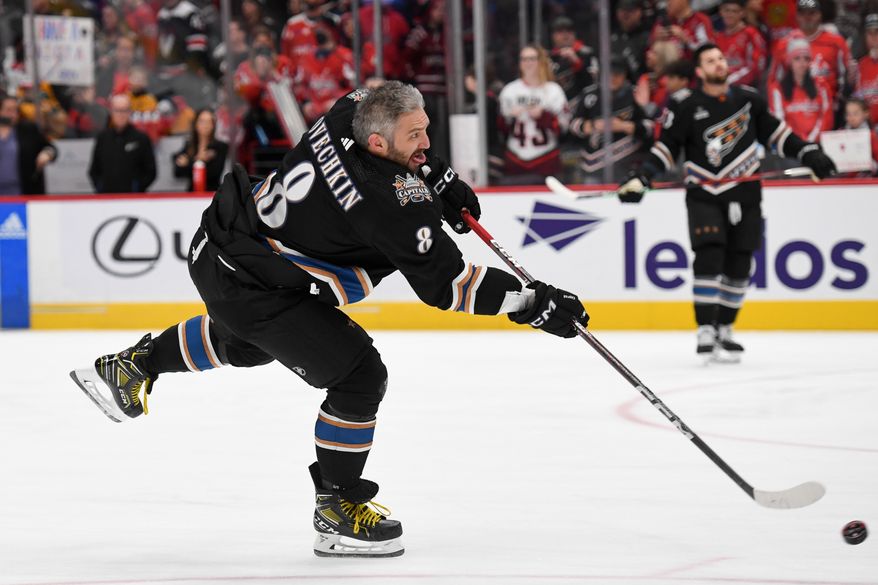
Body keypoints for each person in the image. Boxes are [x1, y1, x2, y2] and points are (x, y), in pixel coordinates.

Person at [69, 81, 589, 557]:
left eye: (426, 128)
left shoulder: (351, 112)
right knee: (358, 375)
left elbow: (375, 105)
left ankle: (133, 366)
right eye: (416, 136)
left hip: (230, 247)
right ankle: (338, 505)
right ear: (380, 146)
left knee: (253, 340)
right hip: (253, 281)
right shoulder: (387, 203)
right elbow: (449, 287)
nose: (425, 139)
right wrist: (531, 304)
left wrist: (435, 172)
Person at [616, 44, 836, 362]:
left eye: (720, 58)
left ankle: (725, 328)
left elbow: (777, 134)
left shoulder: (748, 99)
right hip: (705, 194)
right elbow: (668, 147)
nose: (719, 63)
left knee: (740, 262)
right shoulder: (686, 105)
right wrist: (643, 176)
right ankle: (705, 328)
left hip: (745, 193)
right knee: (709, 255)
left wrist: (808, 153)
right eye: (710, 60)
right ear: (700, 71)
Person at [497, 44, 570, 184]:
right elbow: (500, 131)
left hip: (546, 162)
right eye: (523, 59)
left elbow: (563, 129)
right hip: (515, 161)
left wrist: (544, 117)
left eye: (532, 59)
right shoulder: (510, 91)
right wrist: (509, 118)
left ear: (541, 62)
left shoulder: (553, 91)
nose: (527, 63)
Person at [767, 37, 833, 142]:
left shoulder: (821, 86)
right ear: (789, 62)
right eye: (797, 58)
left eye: (806, 59)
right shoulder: (777, 89)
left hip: (818, 144)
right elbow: (778, 120)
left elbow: (826, 116)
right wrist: (796, 142)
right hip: (790, 146)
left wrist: (810, 140)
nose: (802, 63)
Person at [88, 93, 157, 193]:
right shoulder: (103, 138)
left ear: (130, 112)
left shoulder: (141, 138)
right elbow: (94, 170)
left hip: (133, 200)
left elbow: (150, 171)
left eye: (124, 110)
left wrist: (137, 188)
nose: (121, 115)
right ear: (111, 112)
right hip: (107, 200)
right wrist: (101, 188)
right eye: (117, 110)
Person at [0, 95, 57, 195]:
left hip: (23, 191)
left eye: (15, 110)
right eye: (8, 110)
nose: (13, 114)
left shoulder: (28, 129)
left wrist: (47, 153)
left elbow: (50, 148)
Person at [173, 108, 229, 191]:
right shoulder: (189, 145)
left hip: (212, 192)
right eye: (202, 121)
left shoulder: (220, 146)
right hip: (191, 194)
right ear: (196, 124)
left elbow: (214, 172)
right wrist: (199, 160)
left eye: (209, 122)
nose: (205, 125)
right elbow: (178, 172)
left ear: (213, 125)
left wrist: (189, 163)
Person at [714, 0, 766, 87]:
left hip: (746, 87)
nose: (730, 15)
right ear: (721, 12)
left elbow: (756, 67)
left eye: (734, 11)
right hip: (721, 85)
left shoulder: (751, 34)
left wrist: (729, 81)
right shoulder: (717, 37)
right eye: (726, 10)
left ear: (742, 13)